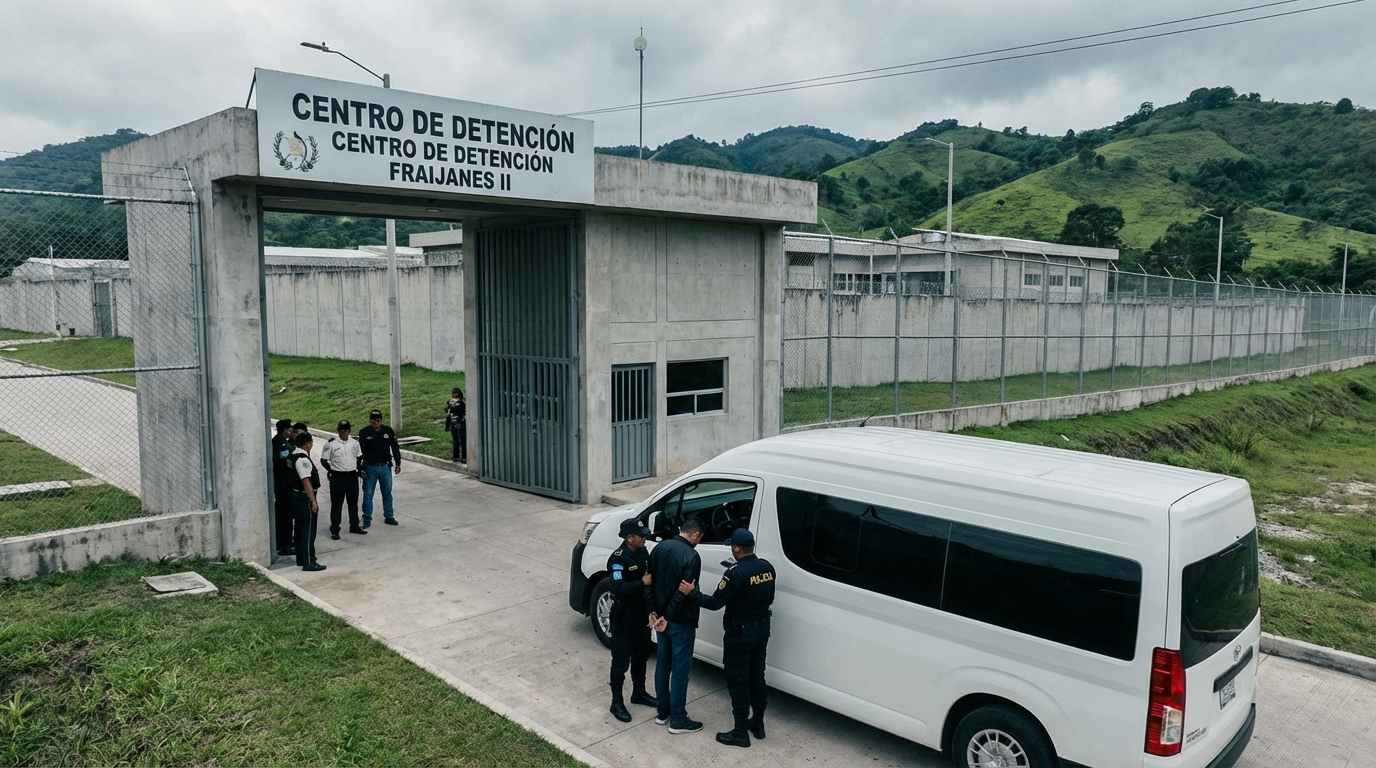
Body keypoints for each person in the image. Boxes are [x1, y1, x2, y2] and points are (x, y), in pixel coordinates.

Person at [678, 528, 776, 748]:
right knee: (757, 677)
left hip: (739, 634)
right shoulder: (768, 568)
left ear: (737, 548)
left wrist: (691, 593)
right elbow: (769, 598)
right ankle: (757, 724)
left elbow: (714, 603)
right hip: (761, 631)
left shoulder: (735, 573)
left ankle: (741, 732)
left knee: (738, 681)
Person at [645, 516, 706, 734]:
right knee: (680, 671)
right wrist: (667, 617)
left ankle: (663, 713)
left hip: (660, 619)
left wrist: (654, 612)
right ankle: (678, 719)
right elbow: (684, 593)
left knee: (663, 666)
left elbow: (648, 582)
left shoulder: (659, 549)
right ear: (697, 534)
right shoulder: (692, 556)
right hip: (680, 622)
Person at [607, 518, 658, 722]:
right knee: (621, 661)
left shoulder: (643, 552)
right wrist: (641, 582)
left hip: (640, 614)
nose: (645, 538)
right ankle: (616, 703)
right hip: (623, 615)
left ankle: (639, 693)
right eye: (641, 535)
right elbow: (618, 588)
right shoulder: (618, 559)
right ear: (629, 538)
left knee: (642, 655)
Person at [319, 419, 366, 539]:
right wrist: (331, 470)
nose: (344, 432)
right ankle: (335, 529)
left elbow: (359, 457)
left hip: (351, 476)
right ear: (338, 430)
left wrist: (359, 469)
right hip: (337, 477)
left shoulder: (355, 443)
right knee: (337, 505)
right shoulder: (331, 444)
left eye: (346, 430)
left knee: (353, 503)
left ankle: (354, 526)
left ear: (349, 431)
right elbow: (323, 460)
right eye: (341, 430)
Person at [358, 408, 402, 527]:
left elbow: (395, 447)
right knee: (368, 494)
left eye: (378, 419)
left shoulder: (388, 431)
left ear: (381, 420)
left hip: (385, 467)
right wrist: (359, 468)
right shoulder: (364, 432)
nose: (375, 421)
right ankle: (366, 518)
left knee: (387, 493)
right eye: (373, 419)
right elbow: (358, 452)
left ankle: (389, 516)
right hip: (369, 468)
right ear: (370, 420)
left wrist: (398, 463)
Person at [289, 431, 326, 572]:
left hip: (296, 496)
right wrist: (313, 501)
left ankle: (301, 558)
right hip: (304, 498)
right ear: (308, 443)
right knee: (308, 530)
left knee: (299, 529)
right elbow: (306, 481)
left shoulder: (293, 455)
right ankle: (309, 561)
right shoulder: (302, 459)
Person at [271, 419, 296, 556]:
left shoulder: (282, 441)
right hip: (283, 484)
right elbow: (284, 462)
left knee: (285, 513)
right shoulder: (280, 443)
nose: (291, 430)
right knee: (285, 514)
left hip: (283, 483)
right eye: (289, 428)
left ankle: (284, 542)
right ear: (283, 430)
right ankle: (285, 544)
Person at [445, 388, 467, 463]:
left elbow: (463, 410)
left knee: (463, 440)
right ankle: (456, 456)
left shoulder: (463, 402)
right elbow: (448, 412)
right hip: (453, 423)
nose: (455, 395)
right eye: (454, 393)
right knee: (455, 440)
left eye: (457, 393)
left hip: (461, 422)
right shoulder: (451, 402)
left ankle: (464, 456)